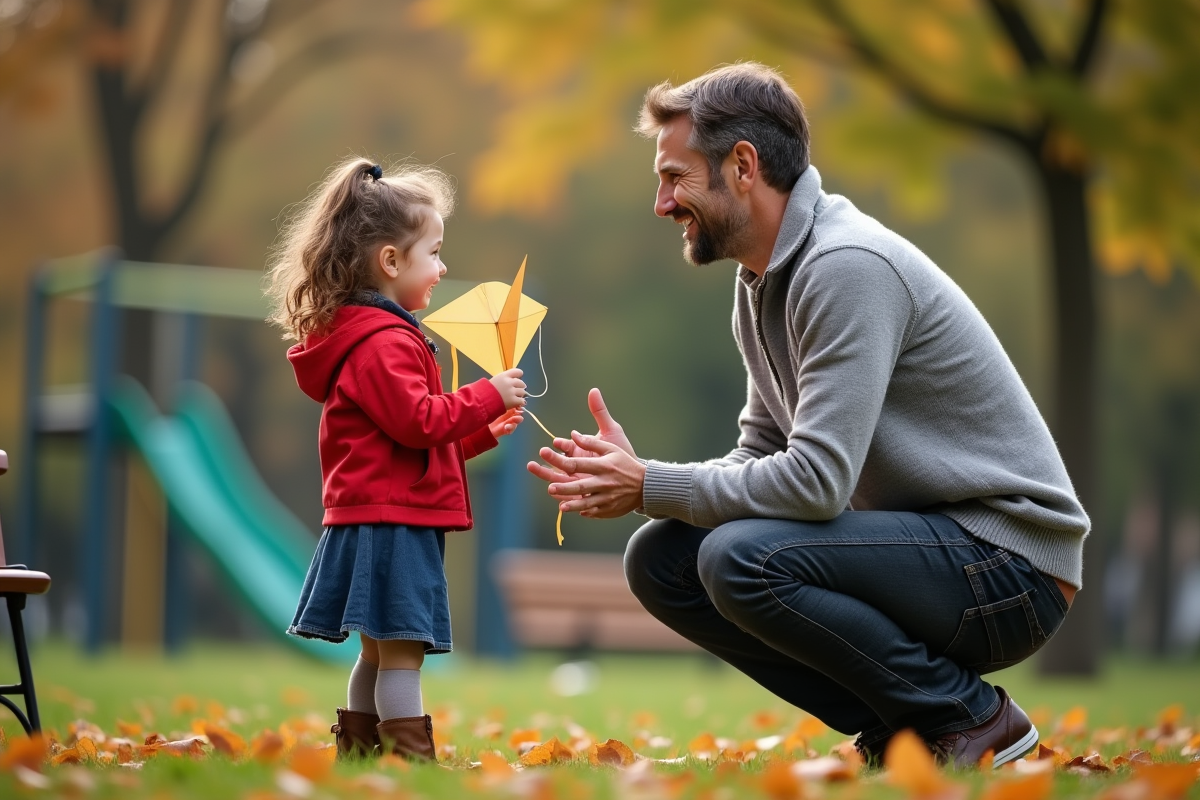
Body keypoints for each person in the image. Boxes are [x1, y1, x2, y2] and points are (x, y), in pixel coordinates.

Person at [527, 63, 1089, 769]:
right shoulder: (763, 283)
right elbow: (762, 449)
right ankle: (904, 727)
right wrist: (640, 483)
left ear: (742, 166)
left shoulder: (847, 266)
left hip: (1010, 569)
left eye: (675, 177)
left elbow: (816, 483)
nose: (662, 203)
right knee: (662, 559)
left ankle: (972, 718)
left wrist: (650, 483)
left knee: (740, 559)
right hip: (936, 553)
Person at [266, 158, 526, 760]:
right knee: (402, 650)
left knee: (377, 652)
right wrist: (487, 393)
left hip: (378, 516)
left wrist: (482, 429)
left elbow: (410, 444)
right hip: (393, 525)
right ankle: (411, 759)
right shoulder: (383, 343)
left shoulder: (372, 335)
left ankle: (358, 754)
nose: (442, 267)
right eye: (433, 252)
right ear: (390, 261)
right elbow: (419, 421)